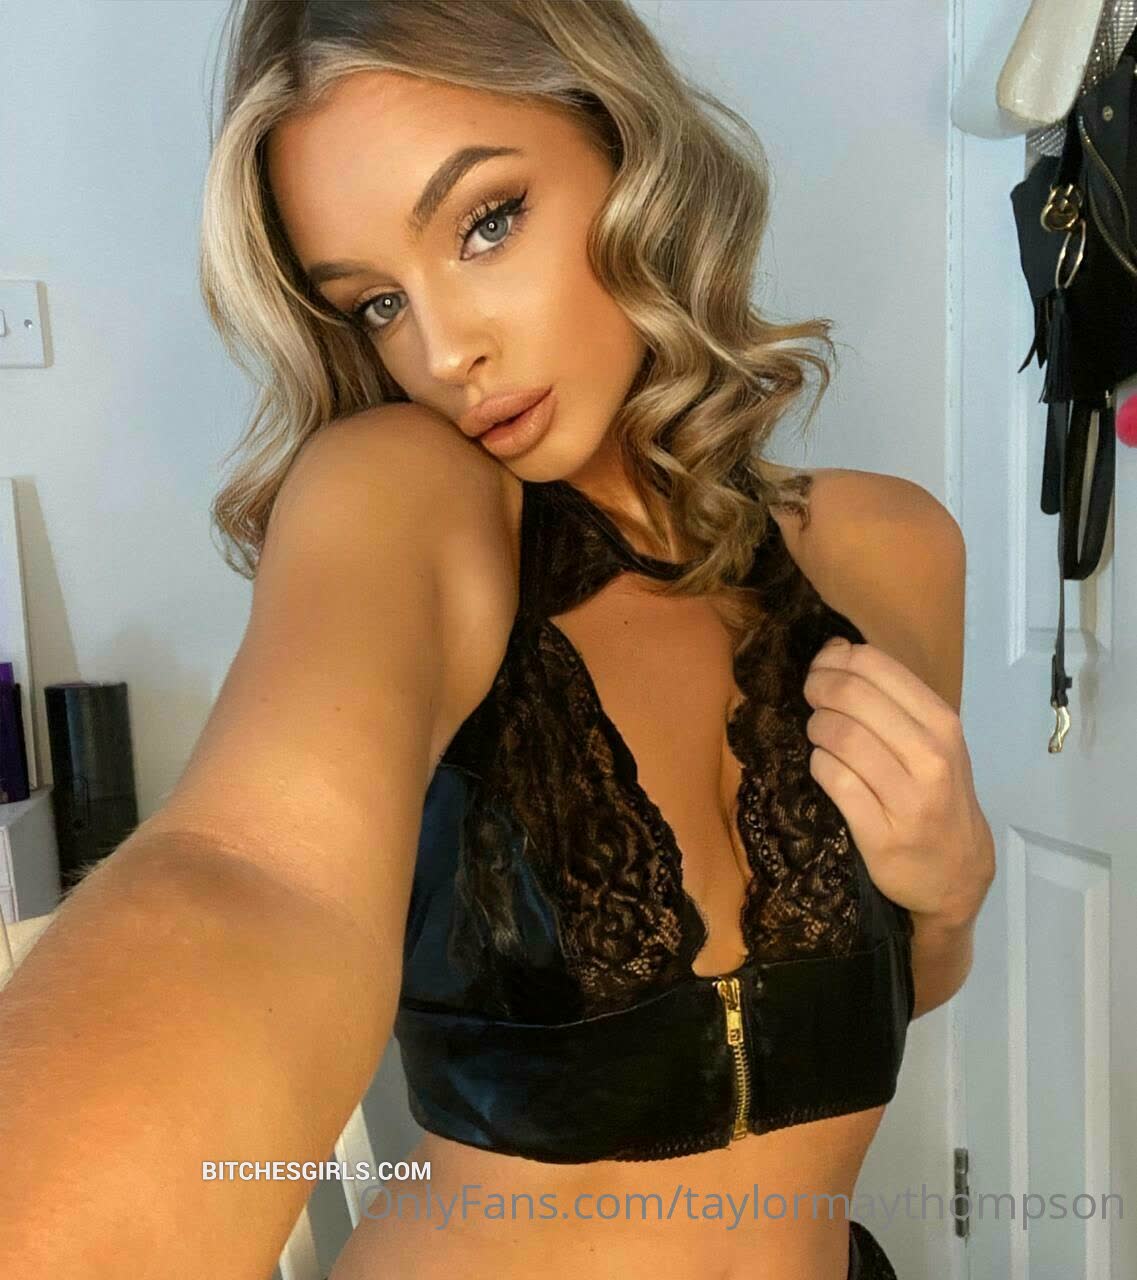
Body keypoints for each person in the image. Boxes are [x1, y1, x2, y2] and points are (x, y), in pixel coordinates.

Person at [0, 3, 995, 1278]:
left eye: (485, 222)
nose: (443, 350)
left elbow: (887, 996)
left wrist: (952, 892)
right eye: (375, 303)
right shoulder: (402, 498)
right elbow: (248, 874)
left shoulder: (892, 550)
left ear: (625, 146)